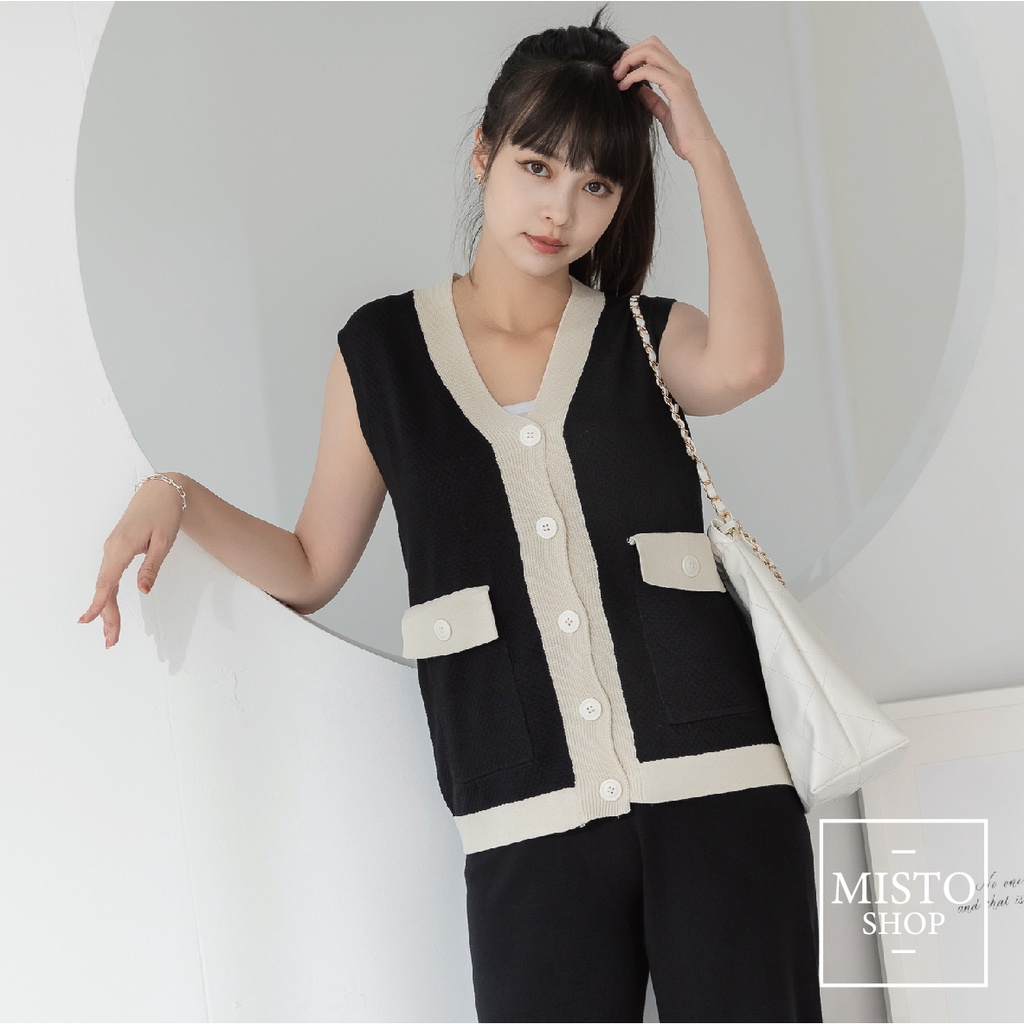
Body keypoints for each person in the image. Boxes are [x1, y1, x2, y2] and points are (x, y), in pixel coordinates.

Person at [80, 8, 823, 1023]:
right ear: (483, 154)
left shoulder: (645, 338)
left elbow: (749, 362)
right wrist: (177, 495)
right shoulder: (382, 354)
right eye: (536, 166)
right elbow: (311, 564)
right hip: (524, 819)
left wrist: (705, 150)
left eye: (597, 185)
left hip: (722, 794)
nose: (559, 208)